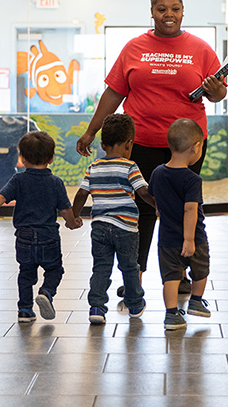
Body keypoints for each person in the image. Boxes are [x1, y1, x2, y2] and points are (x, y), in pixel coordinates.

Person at [76, 0, 226, 296]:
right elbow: (113, 94)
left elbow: (217, 94)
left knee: (185, 209)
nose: (168, 14)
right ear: (152, 12)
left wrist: (215, 92)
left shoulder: (200, 49)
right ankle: (137, 276)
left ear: (183, 11)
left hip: (187, 147)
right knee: (143, 210)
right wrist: (92, 130)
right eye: (161, 9)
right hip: (141, 142)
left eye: (174, 8)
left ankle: (181, 273)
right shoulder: (134, 48)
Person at [0, 131, 80, 323]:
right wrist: (72, 222)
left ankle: (25, 310)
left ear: (22, 159)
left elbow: (1, 197)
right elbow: (66, 209)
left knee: (26, 274)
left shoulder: (18, 180)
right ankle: (46, 292)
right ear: (51, 158)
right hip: (48, 237)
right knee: (55, 269)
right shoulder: (56, 182)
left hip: (24, 238)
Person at [71, 114, 155, 324]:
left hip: (99, 227)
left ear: (102, 144)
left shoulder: (94, 167)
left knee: (101, 267)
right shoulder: (130, 166)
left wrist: (73, 216)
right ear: (130, 144)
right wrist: (160, 207)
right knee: (129, 267)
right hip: (126, 228)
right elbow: (143, 192)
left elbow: (82, 194)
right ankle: (135, 304)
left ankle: (97, 308)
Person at [148, 119, 211, 330]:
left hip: (166, 238)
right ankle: (196, 301)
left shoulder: (157, 173)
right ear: (196, 148)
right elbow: (190, 209)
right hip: (195, 237)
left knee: (171, 278)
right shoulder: (193, 179)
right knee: (201, 269)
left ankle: (171, 315)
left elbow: (155, 199)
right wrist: (189, 239)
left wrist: (160, 210)